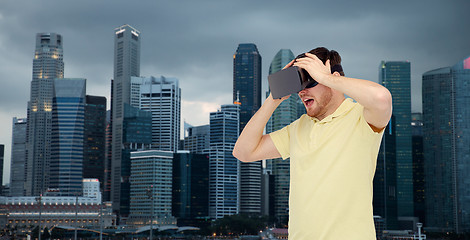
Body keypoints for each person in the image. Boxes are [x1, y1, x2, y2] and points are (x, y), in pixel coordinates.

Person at [232, 47, 392, 239]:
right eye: (299, 85)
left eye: (309, 81)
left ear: (333, 77)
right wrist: (273, 99)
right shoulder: (298, 128)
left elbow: (382, 99)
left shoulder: (361, 118)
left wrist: (327, 78)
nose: (302, 91)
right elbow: (244, 152)